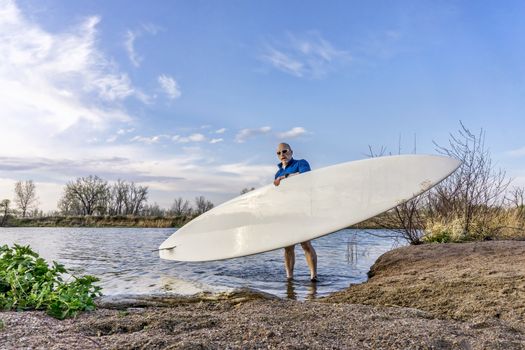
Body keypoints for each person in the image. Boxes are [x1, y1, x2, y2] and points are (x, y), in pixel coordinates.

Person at [273, 142, 318, 282]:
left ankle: (313, 276)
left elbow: (306, 177)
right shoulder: (277, 173)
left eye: (285, 151)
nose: (282, 155)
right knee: (287, 246)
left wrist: (285, 178)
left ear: (291, 152)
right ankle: (289, 278)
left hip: (301, 210)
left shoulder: (301, 163)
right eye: (279, 153)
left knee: (305, 243)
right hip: (286, 213)